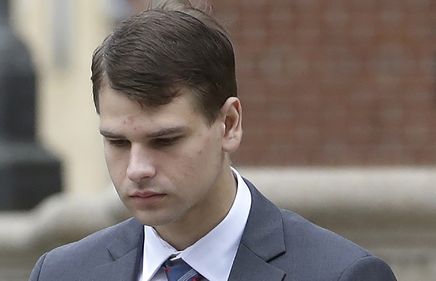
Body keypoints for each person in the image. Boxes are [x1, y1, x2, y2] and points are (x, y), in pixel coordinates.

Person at [29, 1, 397, 280]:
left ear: (230, 124)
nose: (138, 169)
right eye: (119, 143)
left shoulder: (340, 275)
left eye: (165, 140)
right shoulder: (62, 273)